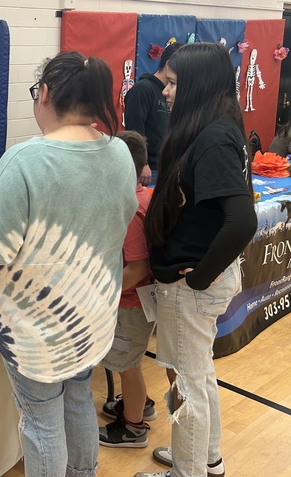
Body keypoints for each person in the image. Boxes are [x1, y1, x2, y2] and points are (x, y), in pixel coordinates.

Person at [0, 51, 138, 477]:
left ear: (44, 94)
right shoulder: (120, 152)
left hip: (38, 330)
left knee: (42, 422)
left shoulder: (26, 160)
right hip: (92, 316)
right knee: (80, 397)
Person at [135, 43, 257, 477]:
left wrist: (201, 277)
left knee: (187, 383)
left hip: (190, 287)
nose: (164, 91)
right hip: (190, 282)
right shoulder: (212, 130)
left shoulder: (214, 138)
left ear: (196, 85)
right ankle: (205, 458)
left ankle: (187, 471)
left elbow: (242, 221)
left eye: (171, 82)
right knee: (199, 376)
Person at [98, 130, 157, 449]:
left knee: (127, 365)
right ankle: (140, 403)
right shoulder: (142, 196)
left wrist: (102, 291)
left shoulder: (131, 208)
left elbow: (137, 267)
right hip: (135, 300)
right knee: (129, 361)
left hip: (130, 301)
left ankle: (133, 426)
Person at [123, 42, 184, 186]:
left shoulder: (175, 93)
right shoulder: (143, 90)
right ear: (169, 65)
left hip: (167, 165)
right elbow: (134, 129)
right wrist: (142, 163)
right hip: (149, 168)